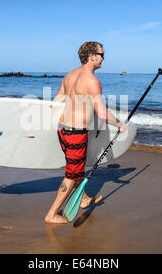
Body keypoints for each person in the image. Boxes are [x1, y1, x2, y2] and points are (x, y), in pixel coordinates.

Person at [44, 41, 127, 224]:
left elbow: (56, 102)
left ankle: (83, 199)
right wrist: (120, 124)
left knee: (76, 168)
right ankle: (51, 214)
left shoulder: (69, 76)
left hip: (63, 130)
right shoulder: (92, 81)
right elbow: (103, 113)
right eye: (102, 54)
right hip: (75, 134)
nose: (104, 58)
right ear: (92, 56)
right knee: (71, 176)